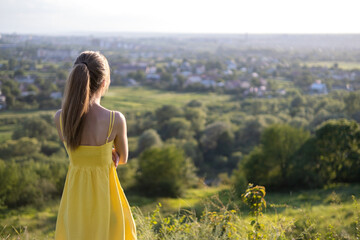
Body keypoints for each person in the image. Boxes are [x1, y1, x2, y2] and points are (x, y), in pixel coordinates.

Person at [53, 51, 137, 240]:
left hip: (75, 201)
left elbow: (76, 151)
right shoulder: (115, 119)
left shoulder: (61, 118)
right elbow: (122, 159)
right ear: (104, 82)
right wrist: (111, 152)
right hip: (107, 198)